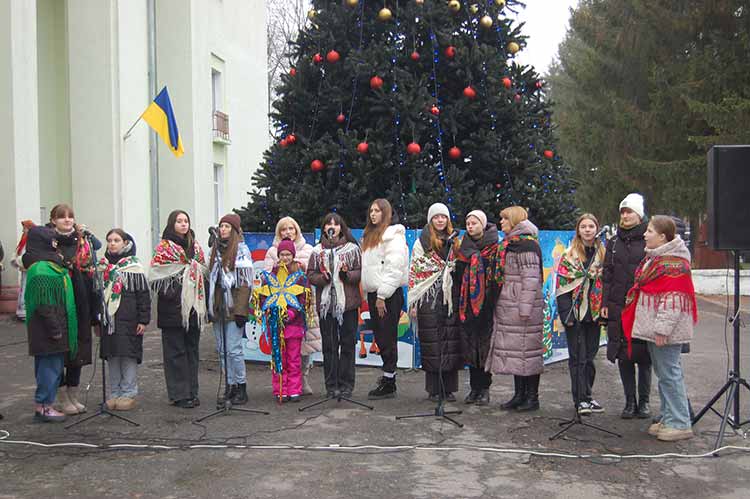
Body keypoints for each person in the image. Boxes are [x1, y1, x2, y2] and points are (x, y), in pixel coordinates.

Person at [622, 216, 697, 441]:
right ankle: (668, 416)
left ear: (663, 236)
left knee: (670, 375)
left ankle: (680, 422)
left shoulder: (673, 263)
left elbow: (672, 300)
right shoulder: (656, 259)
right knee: (664, 375)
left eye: (650, 231)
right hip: (654, 330)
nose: (645, 235)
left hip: (665, 332)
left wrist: (663, 329)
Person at [485, 206, 544, 412]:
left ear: (514, 220)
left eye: (504, 219)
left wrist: (525, 308)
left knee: (528, 352)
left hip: (522, 306)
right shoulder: (510, 243)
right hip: (510, 305)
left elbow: (531, 279)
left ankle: (532, 397)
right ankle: (519, 395)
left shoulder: (527, 245)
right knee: (517, 352)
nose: (501, 222)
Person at [150, 210, 208, 409]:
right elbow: (157, 276)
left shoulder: (196, 247)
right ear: (172, 224)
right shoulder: (164, 248)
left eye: (186, 221)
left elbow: (203, 271)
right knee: (175, 353)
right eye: (179, 221)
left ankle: (192, 391)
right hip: (172, 308)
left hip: (194, 308)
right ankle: (179, 394)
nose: (183, 224)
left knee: (192, 350)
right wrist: (179, 290)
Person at [602, 193, 653, 419]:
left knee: (643, 356)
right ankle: (629, 401)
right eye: (622, 212)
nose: (625, 215)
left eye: (629, 211)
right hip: (618, 305)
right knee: (623, 355)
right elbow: (607, 275)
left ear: (639, 214)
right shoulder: (613, 242)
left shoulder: (649, 240)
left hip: (642, 306)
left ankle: (644, 402)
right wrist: (605, 302)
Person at [48, 204, 101, 415]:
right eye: (62, 217)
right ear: (53, 220)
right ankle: (61, 398)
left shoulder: (82, 240)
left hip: (82, 300)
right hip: (60, 301)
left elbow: (94, 258)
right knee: (61, 349)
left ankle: (73, 395)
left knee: (78, 349)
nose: (67, 220)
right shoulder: (48, 241)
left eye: (70, 217)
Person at [408, 203, 462, 402]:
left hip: (449, 296)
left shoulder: (455, 242)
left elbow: (458, 266)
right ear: (430, 219)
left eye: (444, 217)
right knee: (432, 343)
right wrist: (414, 302)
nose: (440, 220)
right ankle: (434, 389)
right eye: (436, 217)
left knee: (450, 341)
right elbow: (416, 270)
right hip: (428, 296)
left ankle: (448, 388)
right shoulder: (421, 243)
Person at [263, 216, 320, 395]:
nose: (288, 232)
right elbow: (266, 283)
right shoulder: (272, 252)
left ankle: (301, 380)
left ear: (297, 230)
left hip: (301, 309)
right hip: (279, 314)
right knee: (281, 353)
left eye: (291, 229)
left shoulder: (308, 250)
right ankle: (282, 386)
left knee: (302, 349)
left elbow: (312, 277)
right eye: (284, 229)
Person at [307, 213, 362, 398]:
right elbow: (311, 274)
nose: (332, 226)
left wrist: (347, 275)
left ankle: (347, 385)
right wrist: (322, 278)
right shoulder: (317, 251)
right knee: (329, 346)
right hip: (326, 306)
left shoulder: (352, 249)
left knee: (347, 344)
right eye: (328, 224)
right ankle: (331, 385)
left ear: (341, 227)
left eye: (336, 224)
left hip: (348, 305)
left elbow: (360, 272)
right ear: (324, 228)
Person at [555, 213, 605, 415]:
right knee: (578, 357)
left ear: (596, 229)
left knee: (590, 356)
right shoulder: (569, 255)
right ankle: (580, 399)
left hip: (593, 313)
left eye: (591, 226)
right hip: (574, 312)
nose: (587, 230)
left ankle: (588, 395)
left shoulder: (602, 254)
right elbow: (562, 287)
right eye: (583, 226)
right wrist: (566, 314)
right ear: (578, 230)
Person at [23, 227, 74, 423]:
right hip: (48, 332)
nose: (55, 244)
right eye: (52, 241)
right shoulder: (41, 269)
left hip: (53, 329)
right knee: (48, 369)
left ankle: (46, 404)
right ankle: (43, 406)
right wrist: (55, 329)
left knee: (53, 368)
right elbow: (44, 305)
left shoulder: (49, 266)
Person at [97, 229, 151, 411]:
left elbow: (143, 296)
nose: (112, 243)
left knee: (128, 356)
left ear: (125, 243)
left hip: (130, 320)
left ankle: (128, 392)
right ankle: (114, 392)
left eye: (116, 240)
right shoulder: (103, 267)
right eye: (109, 240)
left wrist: (143, 320)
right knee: (112, 356)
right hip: (109, 321)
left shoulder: (134, 267)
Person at [361, 199, 409, 400]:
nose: (373, 214)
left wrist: (382, 296)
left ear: (386, 213)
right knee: (380, 337)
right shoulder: (371, 236)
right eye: (371, 210)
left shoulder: (393, 237)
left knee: (387, 338)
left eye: (377, 211)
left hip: (387, 295)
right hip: (375, 294)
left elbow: (394, 268)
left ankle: (390, 382)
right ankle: (388, 376)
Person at [254, 239, 312, 402]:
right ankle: (281, 389)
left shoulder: (299, 275)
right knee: (279, 359)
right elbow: (265, 297)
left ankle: (294, 389)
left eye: (288, 254)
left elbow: (303, 299)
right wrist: (272, 312)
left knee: (293, 359)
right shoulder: (271, 275)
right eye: (282, 254)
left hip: (293, 325)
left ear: (293, 255)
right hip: (276, 325)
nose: (285, 257)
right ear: (278, 255)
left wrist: (292, 313)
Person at [208, 213, 254, 407]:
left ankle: (241, 386)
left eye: (227, 226)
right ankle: (230, 384)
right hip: (218, 307)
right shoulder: (215, 251)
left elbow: (245, 284)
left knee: (233, 349)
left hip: (234, 308)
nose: (223, 229)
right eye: (221, 226)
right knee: (222, 349)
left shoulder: (241, 251)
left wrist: (241, 311)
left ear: (234, 230)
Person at [452, 210, 498, 405]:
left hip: (487, 304)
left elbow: (498, 277)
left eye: (474, 223)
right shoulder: (463, 248)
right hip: (468, 305)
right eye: (468, 223)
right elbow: (458, 278)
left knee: (484, 347)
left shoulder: (495, 248)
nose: (470, 226)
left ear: (483, 225)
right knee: (471, 347)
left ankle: (485, 388)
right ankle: (474, 388)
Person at [11, 220, 35, 321]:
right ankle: (21, 311)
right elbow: (20, 252)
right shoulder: (24, 239)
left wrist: (24, 263)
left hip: (29, 268)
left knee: (27, 288)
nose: (22, 230)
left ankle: (26, 311)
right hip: (24, 268)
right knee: (23, 288)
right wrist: (17, 262)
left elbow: (29, 254)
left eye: (24, 228)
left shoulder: (32, 240)